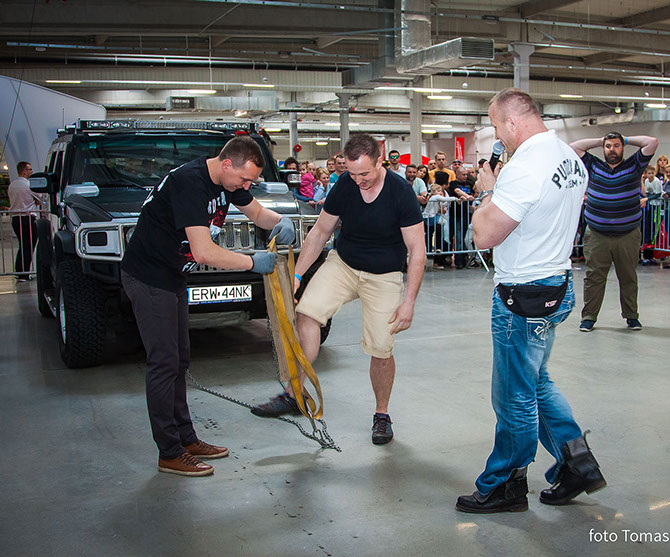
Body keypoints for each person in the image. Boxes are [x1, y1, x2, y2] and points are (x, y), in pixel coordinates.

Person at [455, 87, 603, 514]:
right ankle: (577, 463)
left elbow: (484, 236)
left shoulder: (525, 167)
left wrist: (488, 191)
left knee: (513, 395)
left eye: (497, 127)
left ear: (513, 122)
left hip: (522, 295)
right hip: (556, 283)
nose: (498, 137)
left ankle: (505, 483)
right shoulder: (568, 157)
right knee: (536, 382)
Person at [120, 136, 295, 477]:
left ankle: (186, 439)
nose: (246, 186)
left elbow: (257, 212)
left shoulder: (228, 181)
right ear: (227, 163)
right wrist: (252, 262)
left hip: (172, 276)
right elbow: (203, 252)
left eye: (251, 181)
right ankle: (169, 452)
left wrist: (279, 221)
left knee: (179, 360)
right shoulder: (190, 183)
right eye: (244, 179)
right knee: (164, 363)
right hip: (149, 277)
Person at [251, 134, 426, 446]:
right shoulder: (345, 184)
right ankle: (294, 394)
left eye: (364, 174)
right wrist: (297, 275)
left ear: (380, 161)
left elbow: (417, 251)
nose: (358, 180)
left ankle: (381, 414)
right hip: (343, 264)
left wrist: (409, 302)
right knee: (307, 314)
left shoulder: (400, 192)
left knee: (381, 347)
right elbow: (320, 232)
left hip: (384, 275)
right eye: (352, 173)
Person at [570, 131, 658, 332]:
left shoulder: (635, 164)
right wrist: (600, 140)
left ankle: (631, 316)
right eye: (608, 146)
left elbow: (652, 142)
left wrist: (625, 138)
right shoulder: (593, 164)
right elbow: (574, 147)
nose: (612, 149)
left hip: (627, 234)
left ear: (623, 147)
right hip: (597, 234)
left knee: (628, 277)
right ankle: (588, 317)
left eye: (616, 146)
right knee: (593, 278)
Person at [8, 161, 40, 280]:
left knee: (22, 245)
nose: (32, 171)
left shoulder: (12, 185)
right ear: (24, 171)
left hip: (16, 218)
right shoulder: (28, 185)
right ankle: (24, 273)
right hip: (27, 218)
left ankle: (20, 270)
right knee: (29, 245)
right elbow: (39, 198)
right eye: (30, 169)